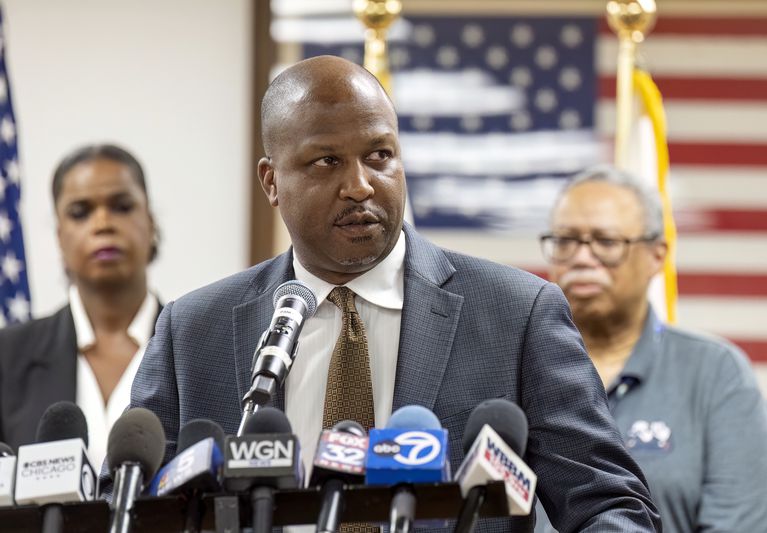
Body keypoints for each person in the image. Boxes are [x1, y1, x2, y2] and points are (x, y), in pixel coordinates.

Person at [116, 56, 660, 531]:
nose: (360, 184)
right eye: (327, 161)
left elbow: (608, 505)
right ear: (271, 181)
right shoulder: (193, 331)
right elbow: (132, 510)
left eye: (379, 155)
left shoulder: (517, 316)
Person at [536, 167, 767, 532]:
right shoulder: (514, 366)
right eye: (565, 240)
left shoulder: (716, 373)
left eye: (606, 242)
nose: (582, 258)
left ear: (657, 255)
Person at [0, 144, 162, 470]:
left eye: (121, 206)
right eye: (80, 212)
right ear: (60, 236)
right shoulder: (7, 357)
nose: (102, 223)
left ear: (151, 223)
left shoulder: (197, 351)